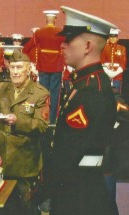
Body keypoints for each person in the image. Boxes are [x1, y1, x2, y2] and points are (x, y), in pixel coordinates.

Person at [49, 6, 118, 215]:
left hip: (81, 197)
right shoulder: (84, 83)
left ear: (87, 46)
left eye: (68, 40)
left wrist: (44, 188)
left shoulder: (92, 90)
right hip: (76, 190)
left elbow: (72, 153)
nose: (62, 45)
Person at [0, 50, 50, 214]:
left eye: (19, 67)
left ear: (28, 69)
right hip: (0, 163)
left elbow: (42, 125)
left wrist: (18, 121)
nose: (15, 71)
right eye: (12, 67)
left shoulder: (40, 93)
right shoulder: (1, 88)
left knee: (24, 210)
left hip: (25, 165)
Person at [33, 10, 65, 124]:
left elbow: (30, 46)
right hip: (56, 66)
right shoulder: (61, 32)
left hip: (43, 66)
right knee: (55, 94)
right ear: (55, 19)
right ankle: (52, 119)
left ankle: (42, 117)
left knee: (42, 93)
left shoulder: (39, 32)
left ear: (46, 19)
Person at [101, 28, 127, 94]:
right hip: (106, 76)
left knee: (117, 96)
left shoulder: (122, 48)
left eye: (114, 36)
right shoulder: (104, 47)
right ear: (109, 37)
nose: (112, 38)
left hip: (117, 77)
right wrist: (108, 73)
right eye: (111, 36)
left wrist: (113, 74)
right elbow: (101, 62)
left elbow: (123, 64)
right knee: (105, 95)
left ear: (117, 38)